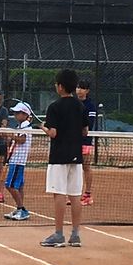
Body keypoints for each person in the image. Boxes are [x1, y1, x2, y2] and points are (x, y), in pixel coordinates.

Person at [40, 69, 89, 248]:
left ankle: (59, 234)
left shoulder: (54, 107)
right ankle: (75, 235)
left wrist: (43, 128)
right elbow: (85, 131)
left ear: (60, 87)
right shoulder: (80, 106)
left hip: (59, 157)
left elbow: (53, 133)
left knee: (59, 194)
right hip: (76, 157)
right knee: (75, 195)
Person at [2, 101, 35, 221]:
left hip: (18, 161)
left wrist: (10, 135)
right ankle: (19, 209)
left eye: (18, 113)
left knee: (10, 185)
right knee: (19, 186)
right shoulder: (20, 126)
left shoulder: (26, 126)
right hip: (15, 160)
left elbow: (22, 140)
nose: (15, 115)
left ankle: (22, 209)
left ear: (25, 114)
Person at [76, 79, 98, 206]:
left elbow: (89, 124)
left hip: (85, 141)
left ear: (87, 91)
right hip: (72, 141)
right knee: (73, 168)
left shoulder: (90, 106)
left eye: (82, 88)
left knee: (86, 167)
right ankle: (74, 195)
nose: (79, 90)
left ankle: (88, 195)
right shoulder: (72, 103)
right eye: (78, 87)